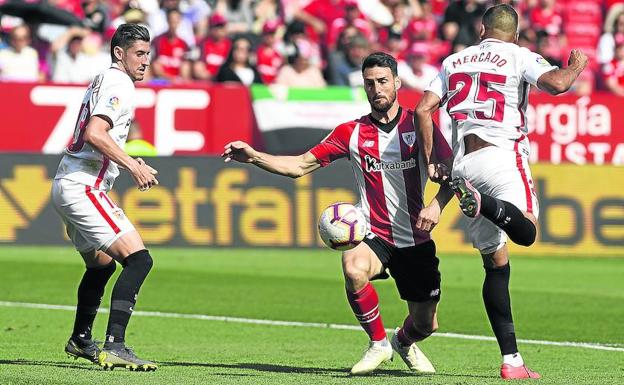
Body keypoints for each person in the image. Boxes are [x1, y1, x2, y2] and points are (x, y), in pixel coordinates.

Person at [223, 52, 454, 376]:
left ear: (397, 83)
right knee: (353, 267)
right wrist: (255, 156)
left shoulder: (418, 126)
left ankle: (402, 341)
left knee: (425, 324)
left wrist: (437, 205)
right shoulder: (351, 133)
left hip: (415, 237)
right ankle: (378, 344)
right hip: (373, 232)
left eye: (383, 81)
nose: (377, 89)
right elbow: (300, 165)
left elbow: (451, 173)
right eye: (370, 83)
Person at [415, 4, 588, 380]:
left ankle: (512, 360)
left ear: (481, 30)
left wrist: (432, 161)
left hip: (463, 166)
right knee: (526, 231)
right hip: (502, 155)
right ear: (517, 32)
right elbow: (557, 84)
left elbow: (423, 110)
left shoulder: (452, 60)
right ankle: (488, 204)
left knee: (495, 262)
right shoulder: (518, 55)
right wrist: (575, 65)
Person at [50, 23, 160, 371]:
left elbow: (98, 136)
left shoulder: (103, 78)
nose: (146, 61)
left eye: (147, 53)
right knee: (139, 260)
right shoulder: (119, 82)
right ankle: (116, 344)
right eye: (139, 54)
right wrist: (132, 165)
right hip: (83, 186)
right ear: (119, 53)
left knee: (101, 265)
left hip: (69, 181)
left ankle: (81, 338)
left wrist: (128, 158)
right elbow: (95, 133)